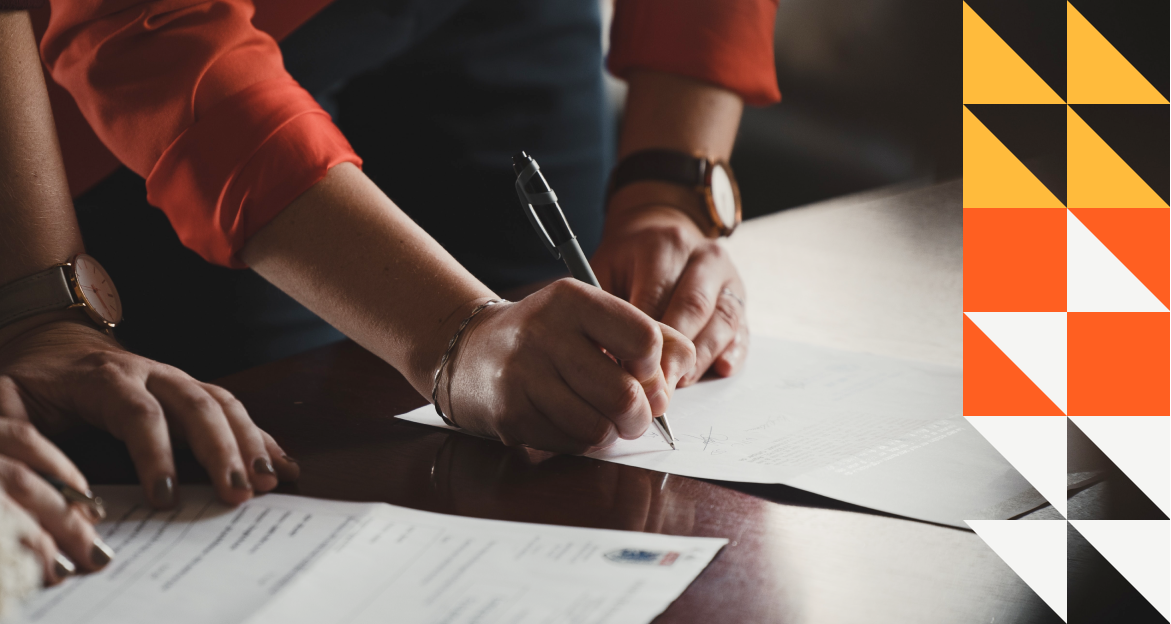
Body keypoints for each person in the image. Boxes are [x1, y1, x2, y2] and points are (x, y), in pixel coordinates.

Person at [2, 0, 778, 547]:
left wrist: (666, 189)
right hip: (182, 69)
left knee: (558, 407)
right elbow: (148, 25)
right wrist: (452, 332)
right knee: (296, 450)